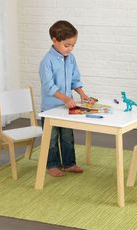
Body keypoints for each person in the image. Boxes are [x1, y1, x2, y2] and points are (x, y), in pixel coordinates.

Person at [39, 20, 94, 177]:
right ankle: (51, 165)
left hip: (66, 107)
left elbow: (75, 80)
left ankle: (69, 163)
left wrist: (82, 95)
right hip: (50, 109)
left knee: (67, 136)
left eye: (73, 45)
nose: (70, 48)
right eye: (67, 45)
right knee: (52, 138)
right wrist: (64, 98)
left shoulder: (70, 58)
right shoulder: (46, 62)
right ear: (55, 41)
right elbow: (49, 87)